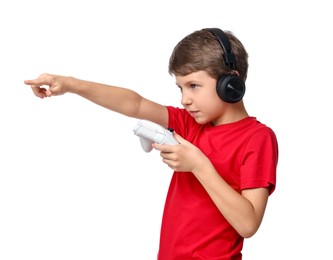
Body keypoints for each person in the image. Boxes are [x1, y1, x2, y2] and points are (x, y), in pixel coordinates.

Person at [24, 27, 278, 260]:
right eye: (180, 88)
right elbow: (135, 104)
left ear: (230, 83)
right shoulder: (190, 124)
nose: (185, 100)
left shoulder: (257, 138)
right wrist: (71, 85)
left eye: (193, 86)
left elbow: (248, 224)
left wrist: (199, 165)